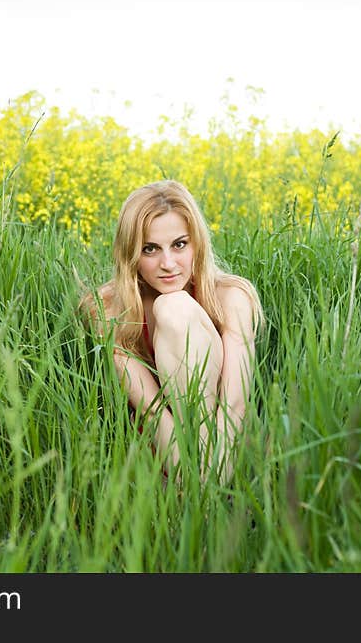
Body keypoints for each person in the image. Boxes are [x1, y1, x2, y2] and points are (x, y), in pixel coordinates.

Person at [81, 180, 263, 484]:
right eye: (150, 249)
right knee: (171, 307)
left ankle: (211, 499)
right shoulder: (109, 308)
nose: (168, 264)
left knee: (175, 308)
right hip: (157, 453)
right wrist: (194, 483)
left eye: (179, 244)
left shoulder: (231, 296)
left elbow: (234, 406)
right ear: (131, 254)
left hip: (227, 445)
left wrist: (208, 480)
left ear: (197, 243)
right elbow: (152, 412)